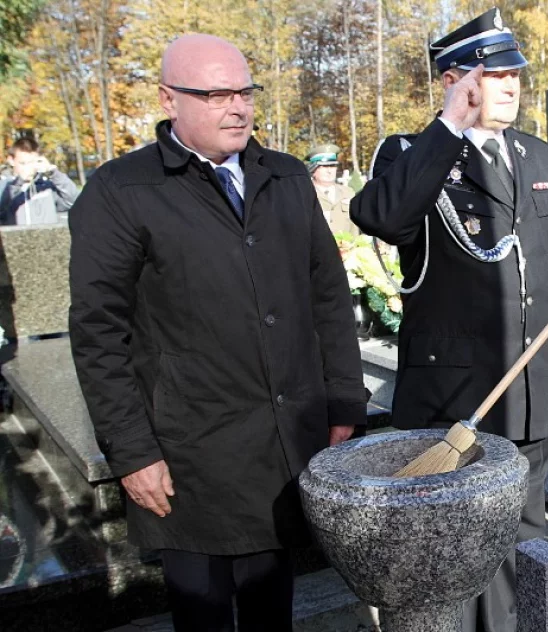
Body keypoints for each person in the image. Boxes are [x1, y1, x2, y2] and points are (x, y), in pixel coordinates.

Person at [68, 34, 367, 631]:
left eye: (244, 91)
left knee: (270, 608)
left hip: (283, 444)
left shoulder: (284, 177)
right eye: (214, 94)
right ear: (168, 99)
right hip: (190, 457)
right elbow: (99, 333)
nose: (237, 106)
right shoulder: (122, 191)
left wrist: (344, 402)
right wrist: (132, 452)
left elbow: (328, 299)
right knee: (203, 616)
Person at [350, 9, 548, 632]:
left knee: (527, 538)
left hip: (529, 392)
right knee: (460, 554)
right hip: (458, 400)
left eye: (514, 75)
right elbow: (385, 217)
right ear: (454, 80)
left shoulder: (537, 155)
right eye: (492, 74)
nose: (510, 86)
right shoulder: (410, 153)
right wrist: (451, 122)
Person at [0, 137, 79, 225]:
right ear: (11, 160)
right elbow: (3, 209)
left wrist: (53, 172)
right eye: (23, 163)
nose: (29, 168)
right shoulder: (4, 186)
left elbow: (73, 200)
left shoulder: (47, 187)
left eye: (33, 162)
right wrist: (19, 182)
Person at [307, 143, 359, 234]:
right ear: (313, 170)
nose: (329, 171)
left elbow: (355, 227)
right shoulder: (305, 195)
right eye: (324, 166)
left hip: (347, 246)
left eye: (332, 166)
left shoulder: (348, 193)